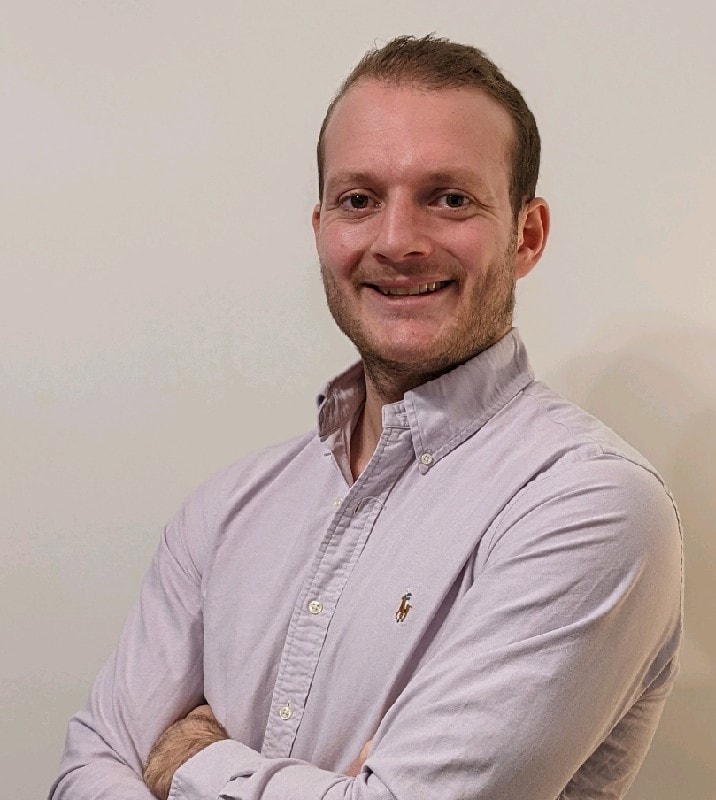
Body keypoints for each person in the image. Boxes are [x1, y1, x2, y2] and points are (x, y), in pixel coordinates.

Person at [50, 35, 682, 800]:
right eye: (360, 200)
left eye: (449, 198)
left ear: (528, 234)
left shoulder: (587, 505)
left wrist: (187, 760)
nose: (397, 241)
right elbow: (86, 771)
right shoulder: (226, 512)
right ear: (320, 228)